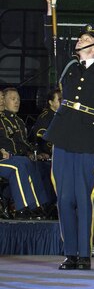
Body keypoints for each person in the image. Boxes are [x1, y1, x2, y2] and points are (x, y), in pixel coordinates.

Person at [43, 0, 94, 270]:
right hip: (63, 134)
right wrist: (51, 7)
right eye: (81, 37)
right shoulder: (69, 66)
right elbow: (49, 41)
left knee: (84, 198)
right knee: (64, 196)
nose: (80, 40)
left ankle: (84, 254)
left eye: (86, 39)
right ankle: (70, 253)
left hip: (88, 138)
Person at [0, 87, 48, 218]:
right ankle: (22, 207)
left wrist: (33, 152)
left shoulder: (17, 121)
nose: (1, 101)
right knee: (19, 165)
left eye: (2, 98)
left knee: (32, 163)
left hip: (11, 158)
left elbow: (22, 144)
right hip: (4, 159)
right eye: (12, 99)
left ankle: (39, 205)